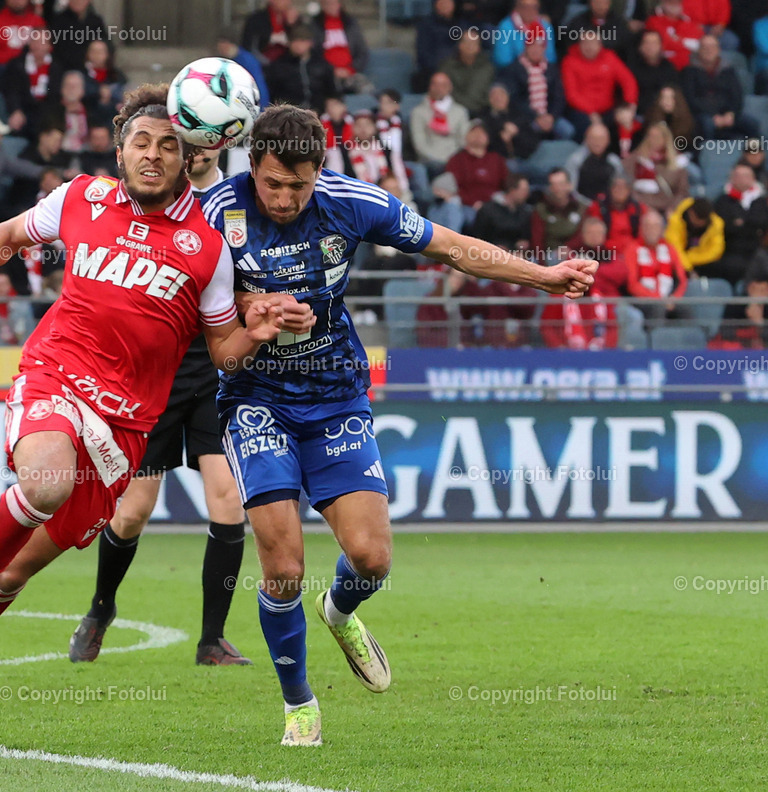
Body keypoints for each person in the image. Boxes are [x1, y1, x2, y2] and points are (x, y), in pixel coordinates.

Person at [0, 83, 293, 741]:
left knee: (17, 570)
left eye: (167, 146)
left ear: (187, 158)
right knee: (45, 482)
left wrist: (257, 333)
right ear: (119, 149)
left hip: (123, 430)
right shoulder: (80, 196)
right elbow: (12, 233)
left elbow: (221, 351)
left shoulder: (208, 247)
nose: (152, 155)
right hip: (56, 375)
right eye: (140, 143)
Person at [200, 103, 595, 745]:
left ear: (319, 171)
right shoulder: (217, 212)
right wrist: (253, 307)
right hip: (255, 399)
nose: (285, 198)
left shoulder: (352, 202)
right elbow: (192, 301)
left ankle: (339, 610)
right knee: (284, 565)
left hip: (335, 394)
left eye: (299, 185)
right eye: (273, 183)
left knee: (372, 559)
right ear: (252, 165)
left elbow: (452, 248)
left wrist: (543, 277)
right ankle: (300, 705)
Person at [68, 146, 253, 666]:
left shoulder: (236, 201)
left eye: (207, 136)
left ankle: (212, 640)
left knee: (228, 502)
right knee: (132, 512)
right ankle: (101, 609)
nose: (197, 147)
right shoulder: (151, 195)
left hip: (215, 373)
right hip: (154, 377)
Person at [681, 34, 758, 142]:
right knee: (705, 124)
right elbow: (690, 99)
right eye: (705, 47)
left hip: (727, 114)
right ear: (699, 50)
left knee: (752, 124)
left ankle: (753, 152)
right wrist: (714, 116)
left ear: (718, 49)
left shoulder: (728, 70)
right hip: (702, 115)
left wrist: (731, 113)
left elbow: (737, 95)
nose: (709, 50)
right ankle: (709, 151)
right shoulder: (689, 71)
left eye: (712, 46)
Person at [625, 210, 689, 328]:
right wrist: (658, 299)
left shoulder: (669, 248)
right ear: (641, 228)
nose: (651, 230)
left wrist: (674, 298)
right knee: (657, 308)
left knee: (686, 309)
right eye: (648, 226)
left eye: (655, 226)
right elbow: (632, 284)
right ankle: (655, 338)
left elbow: (681, 280)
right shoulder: (632, 249)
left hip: (668, 298)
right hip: (643, 300)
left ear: (661, 229)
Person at [710, 162, 768, 285]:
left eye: (745, 175)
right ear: (731, 178)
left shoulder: (761, 201)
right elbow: (724, 227)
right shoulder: (723, 201)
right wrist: (750, 224)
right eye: (737, 175)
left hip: (757, 249)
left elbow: (762, 223)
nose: (741, 179)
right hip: (730, 250)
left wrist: (741, 222)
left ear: (753, 179)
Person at [264, 24, 336, 114]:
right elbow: (272, 95)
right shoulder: (278, 66)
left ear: (310, 43)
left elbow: (332, 93)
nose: (298, 45)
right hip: (289, 115)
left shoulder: (322, 65)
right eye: (294, 41)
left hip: (319, 113)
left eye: (302, 41)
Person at [410, 72, 470, 177]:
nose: (439, 88)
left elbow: (463, 140)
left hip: (455, 159)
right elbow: (419, 143)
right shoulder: (418, 112)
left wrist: (454, 160)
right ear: (430, 87)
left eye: (443, 85)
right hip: (429, 161)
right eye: (435, 84)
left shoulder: (460, 111)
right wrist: (438, 159)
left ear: (450, 88)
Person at [623, 121, 689, 213]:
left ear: (666, 139)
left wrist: (672, 208)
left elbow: (682, 191)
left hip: (666, 208)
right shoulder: (636, 159)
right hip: (641, 208)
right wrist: (640, 205)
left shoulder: (677, 163)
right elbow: (626, 183)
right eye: (651, 136)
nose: (653, 140)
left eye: (657, 137)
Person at [310, 0, 371, 95]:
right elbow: (314, 53)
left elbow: (362, 52)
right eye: (327, 4)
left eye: (334, 3)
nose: (331, 7)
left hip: (350, 73)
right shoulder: (315, 25)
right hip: (326, 75)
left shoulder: (351, 23)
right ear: (322, 6)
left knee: (366, 91)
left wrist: (350, 69)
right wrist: (331, 70)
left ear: (340, 4)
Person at [440, 29, 494, 118]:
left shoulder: (487, 68)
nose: (469, 46)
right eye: (466, 42)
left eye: (473, 43)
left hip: (481, 114)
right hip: (451, 113)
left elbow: (480, 96)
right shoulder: (447, 67)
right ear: (459, 45)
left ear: (479, 47)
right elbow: (444, 92)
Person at [665, 196, 725, 274]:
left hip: (700, 261)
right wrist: (688, 268)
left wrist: (690, 258)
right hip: (679, 262)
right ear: (691, 213)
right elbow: (674, 247)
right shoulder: (676, 221)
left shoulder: (715, 225)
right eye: (697, 220)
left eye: (702, 221)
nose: (699, 223)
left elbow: (716, 251)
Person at [491, 0, 556, 70]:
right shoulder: (506, 27)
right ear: (517, 7)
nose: (530, 10)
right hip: (513, 72)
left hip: (542, 71)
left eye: (534, 7)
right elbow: (502, 60)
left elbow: (551, 57)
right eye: (525, 7)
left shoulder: (545, 26)